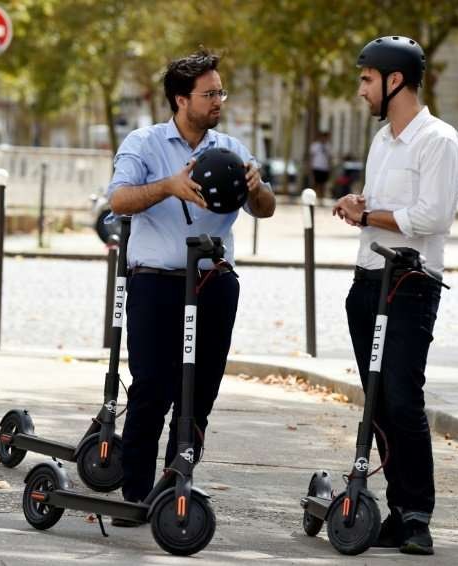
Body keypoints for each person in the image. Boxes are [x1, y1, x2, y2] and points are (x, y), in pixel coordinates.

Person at [106, 50, 276, 526]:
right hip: (156, 283)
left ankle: (174, 483)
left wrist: (258, 188)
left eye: (220, 91)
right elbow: (119, 199)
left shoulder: (232, 147)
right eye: (209, 93)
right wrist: (169, 186)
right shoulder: (144, 143)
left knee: (200, 392)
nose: (218, 100)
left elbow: (266, 208)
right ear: (182, 99)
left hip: (214, 282)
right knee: (152, 389)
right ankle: (135, 495)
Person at [332, 36, 458, 555]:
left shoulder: (439, 140)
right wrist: (359, 203)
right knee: (378, 402)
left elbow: (432, 216)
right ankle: (391, 509)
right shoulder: (384, 139)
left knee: (405, 399)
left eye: (367, 80)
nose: (361, 90)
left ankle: (417, 516)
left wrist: (367, 215)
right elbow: (387, 209)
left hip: (410, 286)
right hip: (367, 281)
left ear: (394, 81)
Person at [309, 131, 332, 205]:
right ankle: (314, 198)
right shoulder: (315, 146)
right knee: (316, 184)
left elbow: (329, 157)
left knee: (323, 184)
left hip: (325, 168)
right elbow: (311, 156)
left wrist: (329, 167)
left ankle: (321, 199)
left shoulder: (328, 146)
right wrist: (310, 166)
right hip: (316, 167)